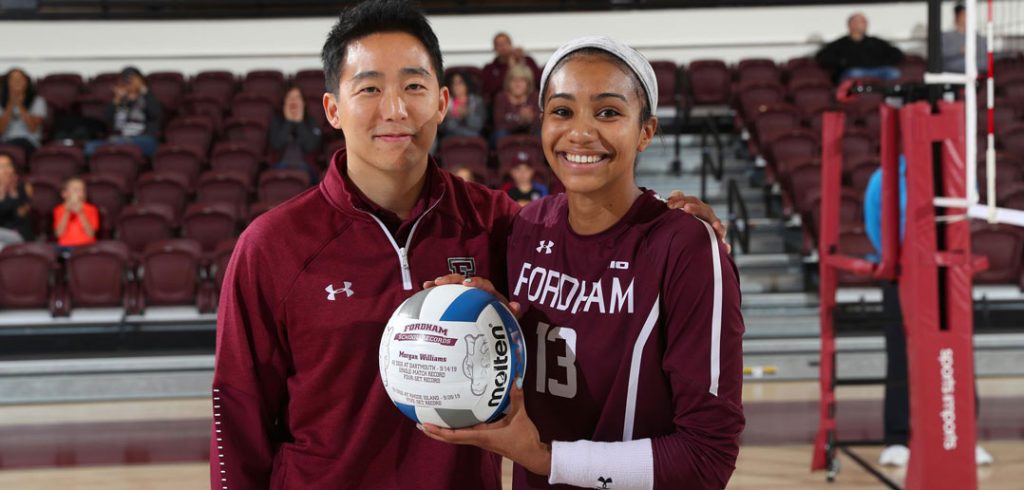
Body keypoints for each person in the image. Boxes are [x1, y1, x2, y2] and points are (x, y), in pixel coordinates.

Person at [210, 3, 726, 489]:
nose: (394, 109)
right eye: (368, 90)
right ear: (332, 109)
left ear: (441, 102)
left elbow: (587, 231)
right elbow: (237, 417)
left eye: (413, 85)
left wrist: (667, 216)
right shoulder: (270, 246)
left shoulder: (500, 223)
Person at [423, 37, 745, 490]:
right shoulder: (526, 229)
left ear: (646, 131)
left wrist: (543, 458)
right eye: (562, 111)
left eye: (608, 112)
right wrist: (491, 318)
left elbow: (706, 458)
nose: (580, 132)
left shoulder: (684, 246)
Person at [864, 157, 993, 467]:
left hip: (949, 273)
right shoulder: (883, 178)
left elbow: (967, 218)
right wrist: (897, 263)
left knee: (959, 355)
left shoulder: (957, 176)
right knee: (899, 357)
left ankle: (966, 438)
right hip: (901, 275)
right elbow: (874, 223)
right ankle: (896, 439)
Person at [84, 66, 161, 158]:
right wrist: (117, 100)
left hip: (144, 139)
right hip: (118, 139)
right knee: (90, 147)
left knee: (120, 143)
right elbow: (105, 118)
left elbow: (155, 113)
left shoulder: (147, 98)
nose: (129, 83)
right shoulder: (119, 101)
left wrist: (142, 91)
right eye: (125, 80)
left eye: (132, 80)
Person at [816, 12, 904, 82]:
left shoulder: (875, 42)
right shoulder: (840, 44)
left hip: (877, 70)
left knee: (894, 73)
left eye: (865, 22)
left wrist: (884, 62)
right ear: (851, 24)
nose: (865, 24)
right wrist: (842, 63)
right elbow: (822, 57)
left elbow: (897, 53)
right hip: (854, 71)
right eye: (861, 21)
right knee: (854, 73)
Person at [268, 86, 322, 184]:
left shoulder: (311, 121)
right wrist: (288, 122)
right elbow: (276, 145)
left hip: (306, 168)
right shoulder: (277, 121)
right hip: (280, 166)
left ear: (303, 103)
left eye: (297, 97)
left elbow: (311, 147)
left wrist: (299, 122)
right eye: (289, 97)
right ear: (284, 103)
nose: (293, 100)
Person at [0, 68, 47, 162]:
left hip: (29, 143)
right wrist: (10, 105)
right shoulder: (1, 103)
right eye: (13, 79)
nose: (17, 82)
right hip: (5, 143)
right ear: (7, 83)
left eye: (20, 79)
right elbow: (1, 130)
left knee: (19, 144)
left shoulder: (38, 101)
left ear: (27, 82)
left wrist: (20, 106)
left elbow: (33, 127)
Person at [482, 32, 542, 99]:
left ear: (511, 44)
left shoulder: (527, 60)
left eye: (505, 43)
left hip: (529, 100)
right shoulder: (489, 68)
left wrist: (521, 62)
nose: (503, 47)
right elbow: (491, 90)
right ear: (494, 48)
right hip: (503, 103)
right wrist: (509, 68)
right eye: (499, 45)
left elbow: (538, 81)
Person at [492, 63, 539, 145]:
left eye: (522, 80)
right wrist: (521, 121)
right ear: (508, 82)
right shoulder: (501, 97)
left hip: (530, 132)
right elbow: (499, 125)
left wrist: (530, 119)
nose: (518, 84)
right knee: (500, 134)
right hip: (506, 134)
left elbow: (541, 122)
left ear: (528, 83)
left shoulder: (534, 96)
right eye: (514, 80)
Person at [53, 177, 98, 252]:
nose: (77, 192)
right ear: (64, 194)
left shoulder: (91, 209)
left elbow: (91, 233)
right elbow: (59, 233)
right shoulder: (59, 209)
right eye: (74, 189)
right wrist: (67, 212)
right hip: (65, 246)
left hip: (86, 245)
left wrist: (80, 213)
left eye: (81, 190)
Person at [439, 71, 486, 140]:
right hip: (451, 137)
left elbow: (478, 126)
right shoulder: (446, 102)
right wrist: (450, 116)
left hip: (473, 136)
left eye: (460, 83)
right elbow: (447, 128)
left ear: (466, 84)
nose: (456, 86)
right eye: (453, 83)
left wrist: (466, 114)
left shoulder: (477, 102)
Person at [0, 152, 33, 248]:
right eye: (2, 166)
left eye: (8, 165)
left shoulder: (24, 187)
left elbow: (22, 214)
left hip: (18, 234)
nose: (6, 170)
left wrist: (13, 193)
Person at [943, 3, 987, 74]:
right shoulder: (946, 37)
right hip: (953, 75)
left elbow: (985, 60)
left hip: (977, 74)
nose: (967, 18)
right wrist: (959, 51)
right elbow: (940, 56)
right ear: (957, 17)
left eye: (968, 15)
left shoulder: (979, 38)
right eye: (964, 15)